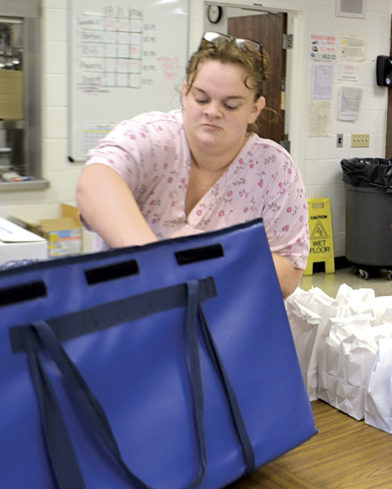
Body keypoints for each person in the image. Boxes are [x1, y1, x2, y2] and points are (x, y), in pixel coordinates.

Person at [76, 32, 309, 298]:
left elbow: (288, 274)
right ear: (185, 93)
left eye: (231, 105)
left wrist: (209, 254)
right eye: (201, 99)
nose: (212, 112)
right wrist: (159, 263)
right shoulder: (154, 137)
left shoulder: (274, 169)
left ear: (255, 109)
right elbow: (94, 184)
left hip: (217, 319)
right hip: (125, 309)